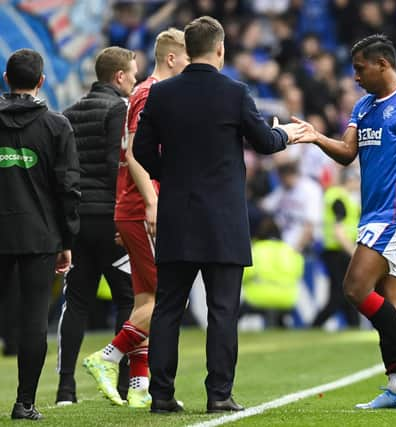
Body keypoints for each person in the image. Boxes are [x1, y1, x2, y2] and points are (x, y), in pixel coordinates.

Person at [132, 16, 304, 414]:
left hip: (177, 214)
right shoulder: (235, 92)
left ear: (188, 50)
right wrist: (287, 135)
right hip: (223, 220)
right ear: (221, 49)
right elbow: (264, 142)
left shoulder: (163, 94)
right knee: (223, 310)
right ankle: (219, 395)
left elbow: (140, 151)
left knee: (168, 307)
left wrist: (169, 177)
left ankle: (161, 394)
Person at [292, 34, 396, 409]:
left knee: (355, 288)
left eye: (360, 69)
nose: (355, 77)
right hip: (372, 214)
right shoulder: (363, 107)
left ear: (383, 65)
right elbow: (346, 153)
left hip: (394, 216)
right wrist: (316, 137)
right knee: (389, 302)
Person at [81, 29, 189, 409]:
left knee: (145, 298)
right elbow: (134, 154)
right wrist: (150, 203)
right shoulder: (152, 93)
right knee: (166, 298)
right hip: (144, 206)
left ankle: (139, 385)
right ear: (173, 58)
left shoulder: (145, 93)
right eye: (189, 60)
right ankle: (108, 356)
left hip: (133, 207)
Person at [0, 48, 80, 420]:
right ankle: (25, 403)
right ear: (41, 82)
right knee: (34, 318)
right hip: (40, 235)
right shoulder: (56, 125)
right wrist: (67, 241)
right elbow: (68, 188)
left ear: (5, 79)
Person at [56, 46, 137, 406]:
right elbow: (115, 165)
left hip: (77, 222)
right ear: (119, 76)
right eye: (132, 74)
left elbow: (64, 172)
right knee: (129, 298)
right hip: (110, 219)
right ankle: (122, 384)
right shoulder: (118, 109)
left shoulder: (69, 113)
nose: (135, 80)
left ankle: (65, 389)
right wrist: (124, 215)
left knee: (75, 303)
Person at [312, 166, 361, 328]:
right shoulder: (339, 198)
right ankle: (316, 325)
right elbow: (339, 231)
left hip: (337, 251)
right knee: (340, 294)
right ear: (350, 180)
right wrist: (354, 252)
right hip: (338, 251)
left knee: (345, 292)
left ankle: (354, 325)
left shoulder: (339, 197)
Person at [239, 215, 304, 327]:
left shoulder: (256, 249)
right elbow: (298, 273)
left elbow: (243, 275)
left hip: (257, 297)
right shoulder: (290, 251)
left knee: (233, 314)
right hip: (286, 299)